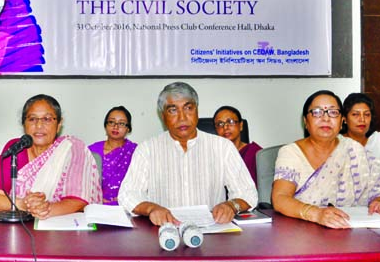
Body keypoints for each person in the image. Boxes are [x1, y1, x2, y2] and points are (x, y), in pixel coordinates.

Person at [118, 82, 258, 226]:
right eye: (173, 110)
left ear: (197, 110)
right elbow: (128, 195)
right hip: (164, 232)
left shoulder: (222, 147)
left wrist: (231, 206)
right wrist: (151, 208)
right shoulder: (147, 149)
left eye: (188, 108)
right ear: (163, 116)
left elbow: (247, 193)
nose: (182, 117)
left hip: (212, 233)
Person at [272, 90, 380, 229]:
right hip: (301, 230)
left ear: (341, 122)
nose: (326, 118)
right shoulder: (291, 152)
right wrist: (317, 214)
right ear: (306, 121)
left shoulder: (355, 150)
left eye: (333, 112)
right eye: (317, 112)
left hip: (351, 230)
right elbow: (280, 198)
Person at [0, 94, 102, 219]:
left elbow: (79, 201)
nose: (39, 125)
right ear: (24, 123)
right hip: (19, 227)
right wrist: (23, 204)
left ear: (59, 124)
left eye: (47, 119)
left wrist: (45, 209)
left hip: (62, 228)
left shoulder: (72, 149)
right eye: (32, 119)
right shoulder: (16, 148)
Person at [341, 93, 380, 172]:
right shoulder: (335, 143)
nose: (362, 119)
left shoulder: (379, 143)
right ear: (344, 119)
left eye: (367, 114)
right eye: (355, 114)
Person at [88, 106, 137, 205]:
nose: (116, 127)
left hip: (126, 206)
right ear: (105, 126)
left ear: (128, 128)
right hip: (96, 205)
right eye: (111, 122)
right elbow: (82, 183)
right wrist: (97, 199)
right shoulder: (92, 151)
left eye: (121, 123)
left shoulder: (136, 152)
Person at [213, 106, 263, 182]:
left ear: (241, 125)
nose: (225, 127)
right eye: (220, 124)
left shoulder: (255, 153)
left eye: (230, 122)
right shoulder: (212, 156)